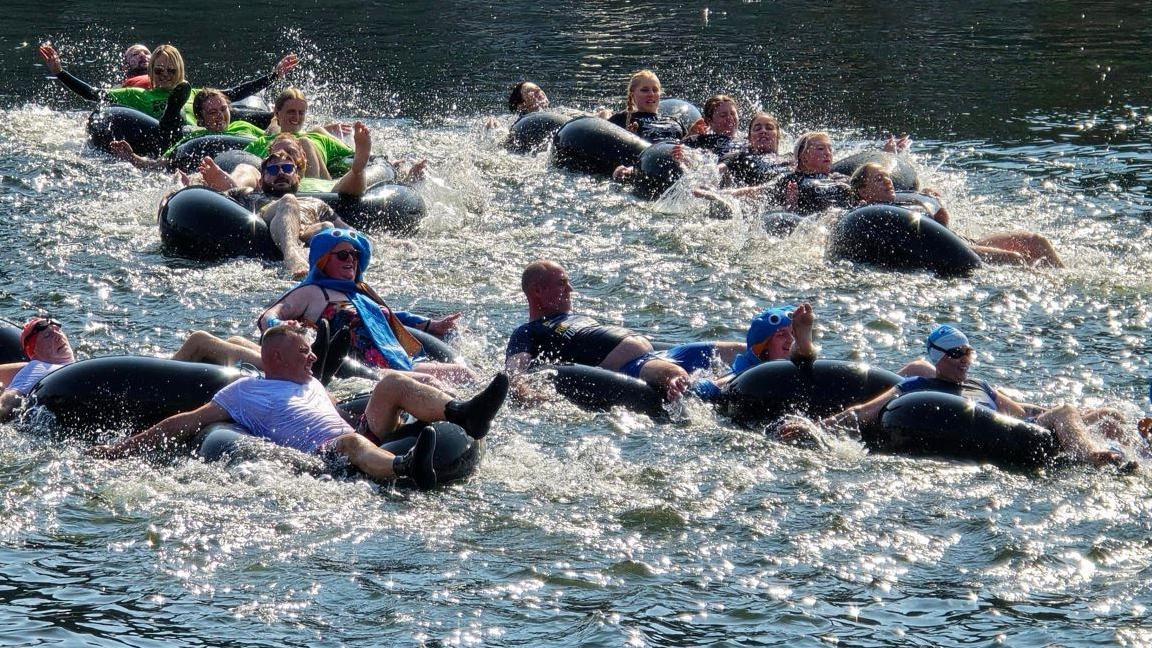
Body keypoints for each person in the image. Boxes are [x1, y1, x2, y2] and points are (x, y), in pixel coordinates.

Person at [90, 323, 509, 488]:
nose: (312, 358)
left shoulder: (310, 381)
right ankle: (404, 467)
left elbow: (340, 406)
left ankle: (464, 413)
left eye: (312, 352)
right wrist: (121, 450)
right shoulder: (243, 393)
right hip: (327, 458)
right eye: (304, 352)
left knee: (394, 382)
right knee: (350, 442)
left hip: (355, 434)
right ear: (277, 359)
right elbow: (185, 423)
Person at [777, 325, 1126, 465]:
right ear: (938, 359)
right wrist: (814, 427)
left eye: (967, 353)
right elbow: (862, 413)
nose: (964, 361)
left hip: (1024, 434)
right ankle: (1093, 456)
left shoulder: (982, 387)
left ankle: (1135, 457)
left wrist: (1086, 413)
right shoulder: (915, 389)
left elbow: (1026, 413)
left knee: (1109, 415)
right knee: (1066, 412)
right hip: (990, 440)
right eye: (955, 355)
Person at [176, 229, 467, 383]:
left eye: (354, 255)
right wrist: (281, 327)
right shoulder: (314, 292)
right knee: (428, 381)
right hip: (354, 367)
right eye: (342, 256)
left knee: (464, 374)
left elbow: (394, 317)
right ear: (324, 261)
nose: (351, 260)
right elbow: (269, 316)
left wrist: (431, 325)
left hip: (397, 362)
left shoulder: (361, 294)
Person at [505, 260, 734, 402]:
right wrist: (527, 393)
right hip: (632, 366)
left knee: (738, 349)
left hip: (658, 353)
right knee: (676, 375)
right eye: (562, 283)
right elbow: (515, 372)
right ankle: (709, 389)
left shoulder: (575, 317)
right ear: (537, 291)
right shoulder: (528, 332)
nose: (571, 289)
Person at [39, 43, 297, 151]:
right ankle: (171, 111)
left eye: (171, 71)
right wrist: (60, 72)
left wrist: (274, 76)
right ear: (151, 71)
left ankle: (286, 128)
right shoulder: (137, 94)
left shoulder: (194, 92)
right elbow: (93, 95)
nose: (164, 74)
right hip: (169, 135)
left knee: (253, 115)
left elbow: (234, 93)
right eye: (159, 70)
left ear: (180, 71)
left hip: (201, 131)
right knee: (173, 124)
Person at [850, 162, 1064, 267]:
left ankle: (1064, 281)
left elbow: (942, 224)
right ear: (862, 190)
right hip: (943, 251)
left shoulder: (909, 200)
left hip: (957, 241)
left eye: (887, 177)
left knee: (1035, 241)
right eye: (879, 179)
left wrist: (933, 202)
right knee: (1015, 259)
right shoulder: (866, 215)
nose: (888, 181)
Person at [109, 88, 265, 170]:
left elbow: (273, 140)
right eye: (212, 112)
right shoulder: (193, 139)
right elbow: (162, 164)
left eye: (223, 109)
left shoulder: (244, 127)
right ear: (201, 121)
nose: (220, 116)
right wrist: (133, 158)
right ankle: (173, 113)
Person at [692, 304, 818, 399]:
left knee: (803, 360)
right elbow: (713, 387)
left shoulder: (798, 366)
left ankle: (804, 344)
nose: (790, 339)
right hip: (750, 400)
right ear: (764, 347)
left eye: (793, 333)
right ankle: (804, 344)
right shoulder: (746, 372)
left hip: (796, 370)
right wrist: (691, 388)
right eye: (781, 334)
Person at [0, 317, 76, 421]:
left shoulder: (75, 368)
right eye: (48, 336)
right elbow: (11, 397)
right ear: (33, 351)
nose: (58, 336)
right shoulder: (38, 367)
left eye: (58, 331)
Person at [772, 131, 856, 215]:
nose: (827, 153)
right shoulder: (792, 180)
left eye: (830, 149)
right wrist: (791, 205)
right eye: (820, 149)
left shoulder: (841, 178)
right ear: (803, 156)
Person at [606, 69, 685, 142]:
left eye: (655, 90)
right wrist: (628, 138)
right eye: (645, 90)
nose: (651, 94)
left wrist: (692, 134)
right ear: (633, 95)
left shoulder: (675, 120)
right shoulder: (622, 119)